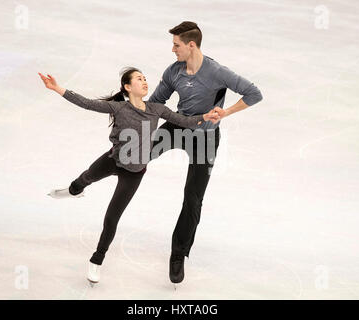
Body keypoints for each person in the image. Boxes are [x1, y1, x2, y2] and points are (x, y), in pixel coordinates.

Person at [38, 68, 221, 285]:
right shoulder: (118, 107)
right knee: (85, 178)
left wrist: (205, 117)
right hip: (112, 160)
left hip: (134, 174)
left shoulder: (157, 109)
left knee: (111, 218)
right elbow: (86, 103)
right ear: (127, 87)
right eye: (138, 79)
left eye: (145, 78)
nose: (144, 82)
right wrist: (57, 88)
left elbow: (183, 121)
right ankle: (73, 191)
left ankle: (97, 260)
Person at [148, 21, 263, 284]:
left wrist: (226, 112)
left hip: (206, 139)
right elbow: (155, 103)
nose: (172, 49)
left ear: (191, 45)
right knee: (133, 155)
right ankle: (82, 182)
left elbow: (254, 93)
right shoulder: (174, 71)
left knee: (193, 198)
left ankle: (178, 254)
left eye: (176, 45)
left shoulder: (217, 72)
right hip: (177, 126)